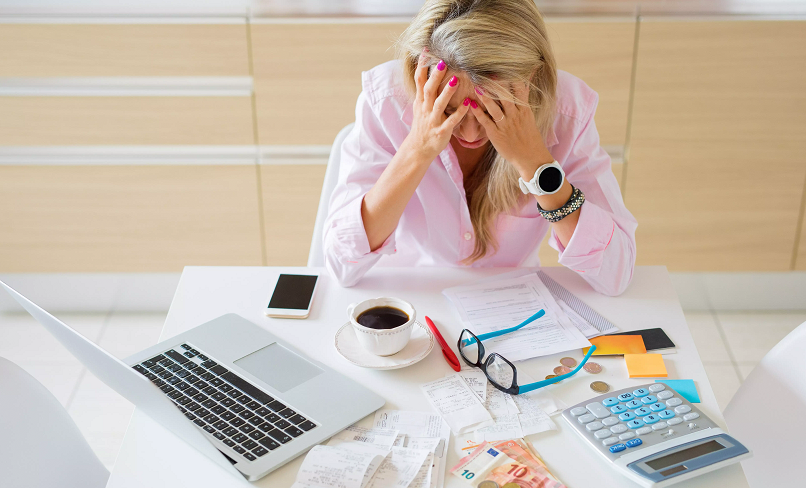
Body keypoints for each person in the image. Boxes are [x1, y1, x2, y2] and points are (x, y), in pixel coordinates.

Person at [323, 0, 637, 296]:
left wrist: (535, 162)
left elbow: (616, 273)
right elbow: (340, 264)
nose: (471, 133)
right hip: (411, 295)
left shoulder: (568, 112)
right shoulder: (387, 101)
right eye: (449, 111)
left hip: (511, 301)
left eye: (492, 111)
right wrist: (417, 149)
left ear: (532, 77)